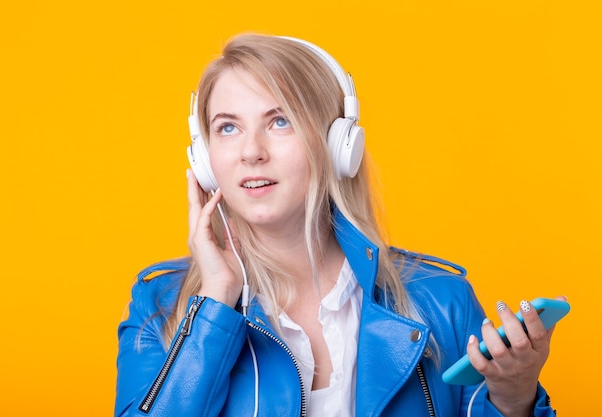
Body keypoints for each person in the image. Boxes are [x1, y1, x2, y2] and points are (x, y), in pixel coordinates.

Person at [115, 33, 565, 417]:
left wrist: (514, 395)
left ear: (338, 146)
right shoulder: (159, 307)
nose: (251, 151)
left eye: (280, 121)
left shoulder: (440, 300)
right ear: (204, 157)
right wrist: (214, 306)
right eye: (228, 128)